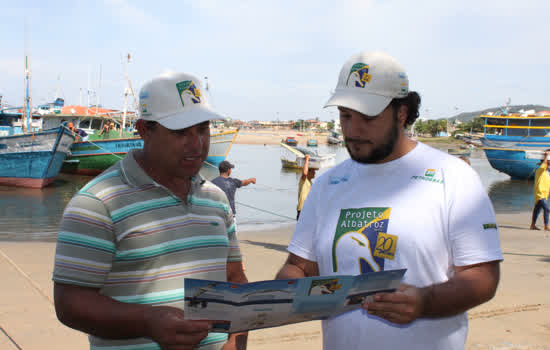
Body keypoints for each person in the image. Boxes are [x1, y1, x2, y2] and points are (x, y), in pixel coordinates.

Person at [276, 51, 502, 350]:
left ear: (402, 113)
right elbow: (300, 267)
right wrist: (275, 296)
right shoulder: (327, 185)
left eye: (368, 118)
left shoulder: (454, 177)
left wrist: (424, 302)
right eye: (345, 116)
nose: (353, 131)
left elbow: (483, 277)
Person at [53, 72, 248, 350]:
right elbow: (69, 303)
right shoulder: (98, 203)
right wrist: (148, 321)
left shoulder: (216, 200)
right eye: (181, 132)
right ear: (145, 130)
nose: (197, 144)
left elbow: (235, 280)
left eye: (202, 129)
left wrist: (237, 342)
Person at [530, 151, 550, 230]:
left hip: (544, 194)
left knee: (537, 210)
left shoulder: (547, 173)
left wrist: (548, 194)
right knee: (546, 208)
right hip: (539, 193)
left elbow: (548, 184)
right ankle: (546, 225)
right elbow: (543, 165)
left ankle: (532, 225)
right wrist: (546, 156)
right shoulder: (540, 170)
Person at [296, 154, 316, 220]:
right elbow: (304, 173)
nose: (315, 173)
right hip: (302, 209)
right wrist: (307, 159)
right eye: (313, 171)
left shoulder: (311, 182)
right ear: (309, 172)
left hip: (309, 209)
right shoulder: (304, 180)